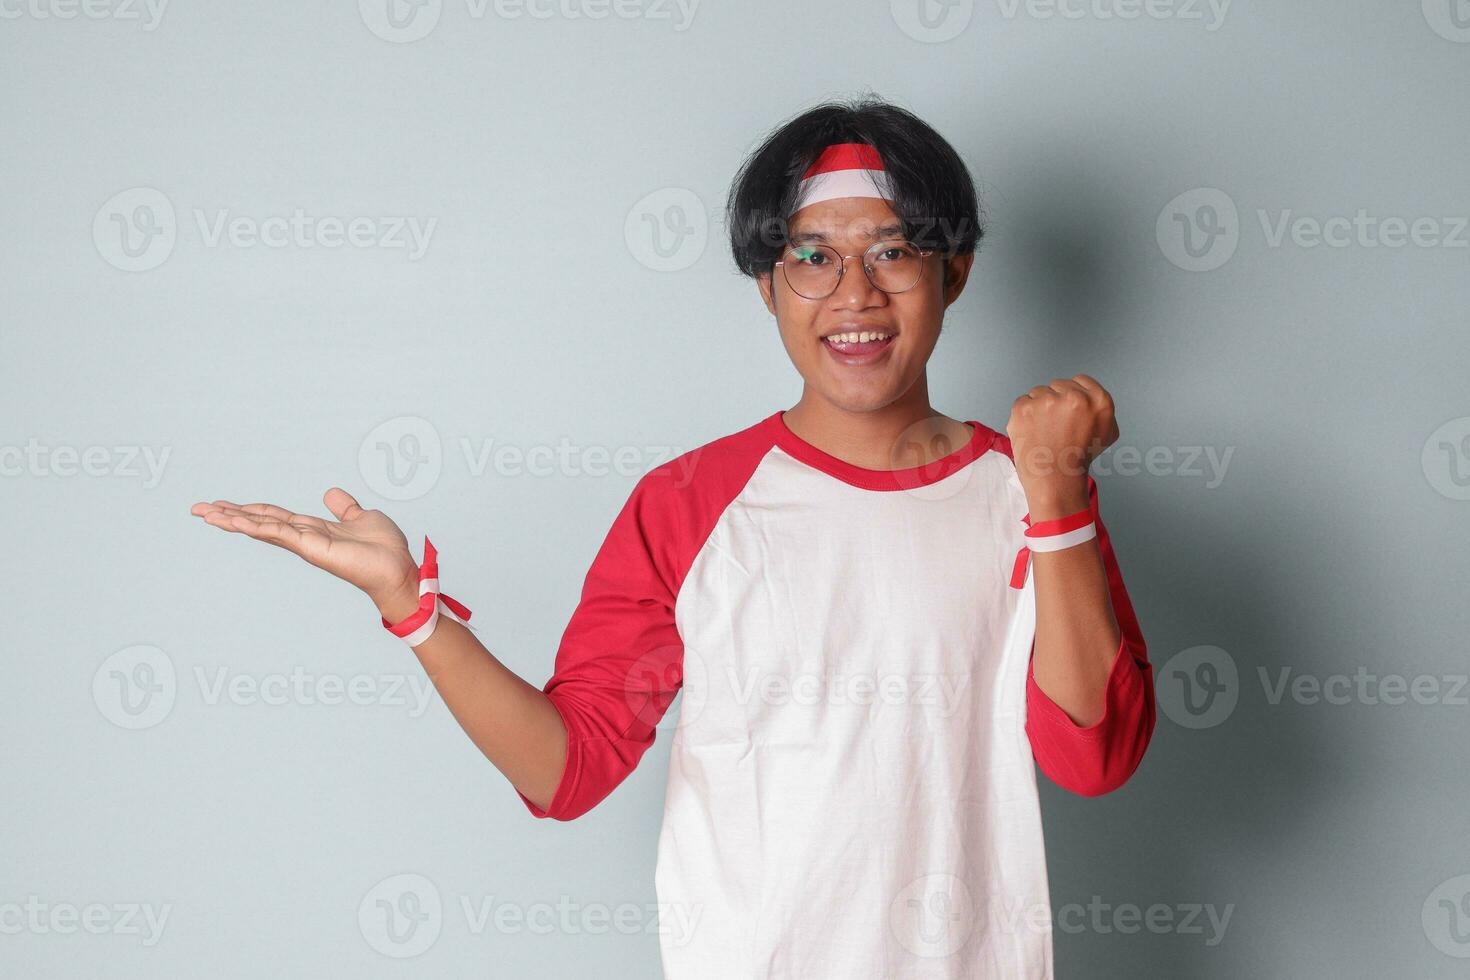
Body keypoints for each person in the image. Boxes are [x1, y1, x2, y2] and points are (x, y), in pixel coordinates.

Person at [190, 95, 1156, 979]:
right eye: (812, 257)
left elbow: (1095, 756)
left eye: (893, 251)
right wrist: (411, 608)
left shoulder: (1024, 488)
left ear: (955, 272)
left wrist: (1060, 493)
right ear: (767, 288)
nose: (854, 293)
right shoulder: (689, 504)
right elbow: (568, 767)